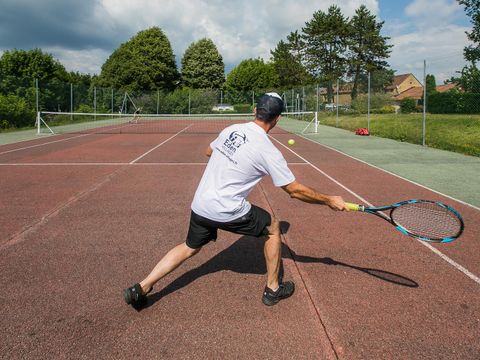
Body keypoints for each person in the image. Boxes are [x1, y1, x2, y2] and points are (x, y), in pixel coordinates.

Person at [123, 92, 346, 308]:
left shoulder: (232, 129)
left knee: (190, 247)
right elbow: (295, 191)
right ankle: (273, 289)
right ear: (277, 119)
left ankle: (142, 287)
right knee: (273, 227)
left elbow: (209, 151)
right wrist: (329, 200)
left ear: (254, 110)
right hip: (226, 209)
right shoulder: (269, 151)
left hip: (201, 204)